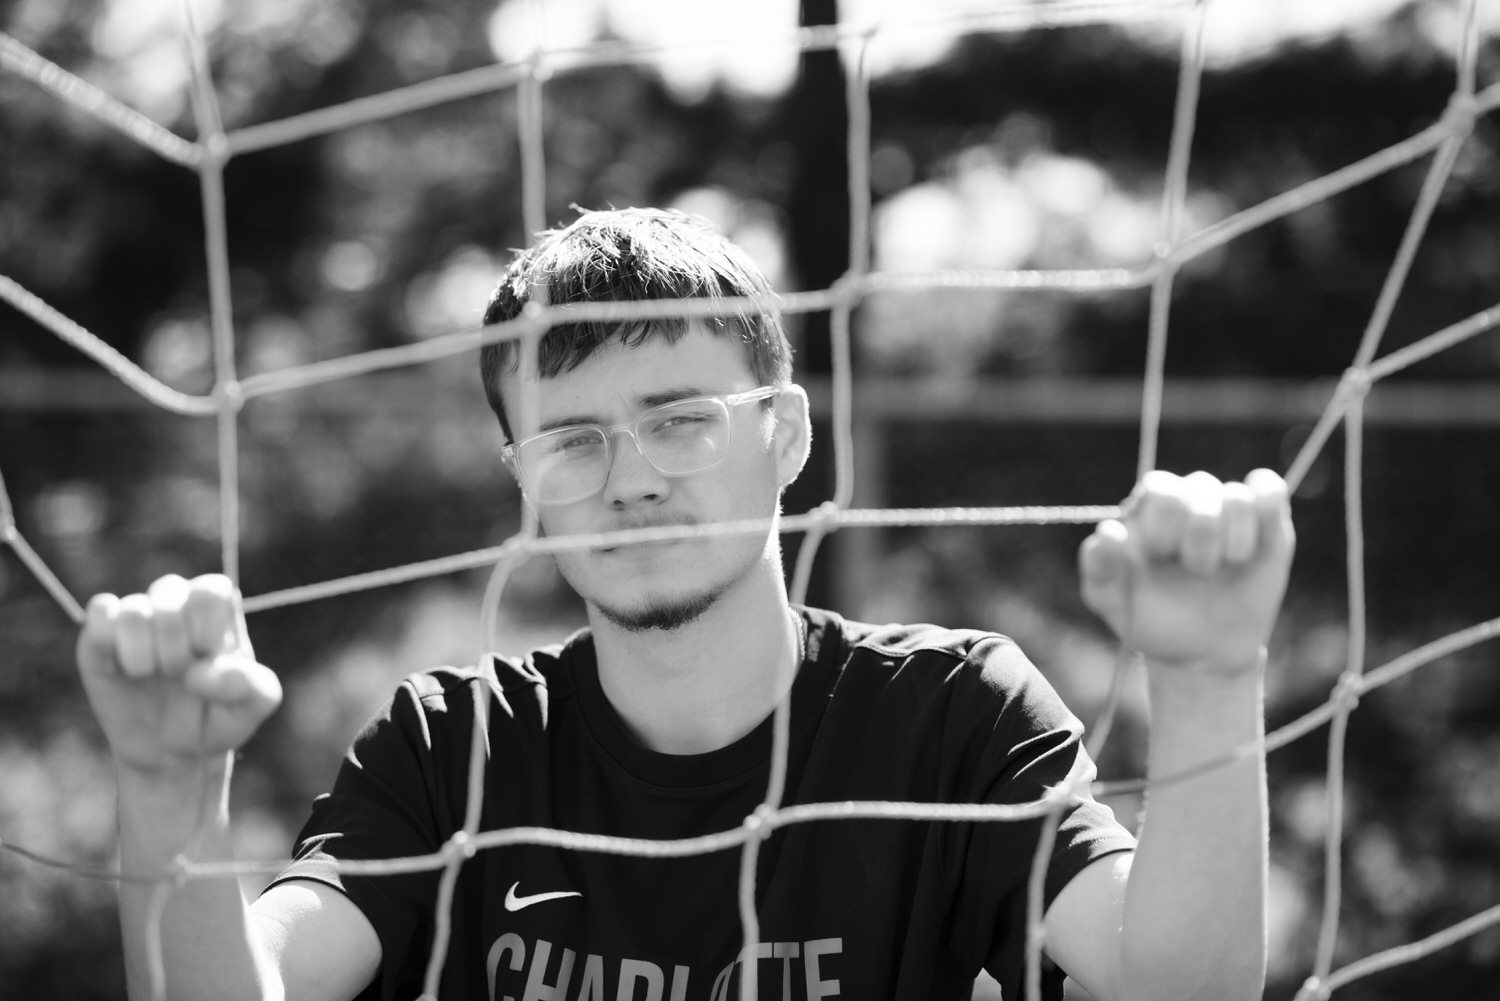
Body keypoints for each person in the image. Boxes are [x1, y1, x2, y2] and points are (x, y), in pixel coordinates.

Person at [77, 207, 1293, 1001]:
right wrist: (167, 794)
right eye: (573, 440)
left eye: (681, 418)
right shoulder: (457, 740)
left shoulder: (944, 714)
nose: (636, 474)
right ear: (525, 486)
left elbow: (1178, 983)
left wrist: (1207, 680)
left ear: (789, 437)